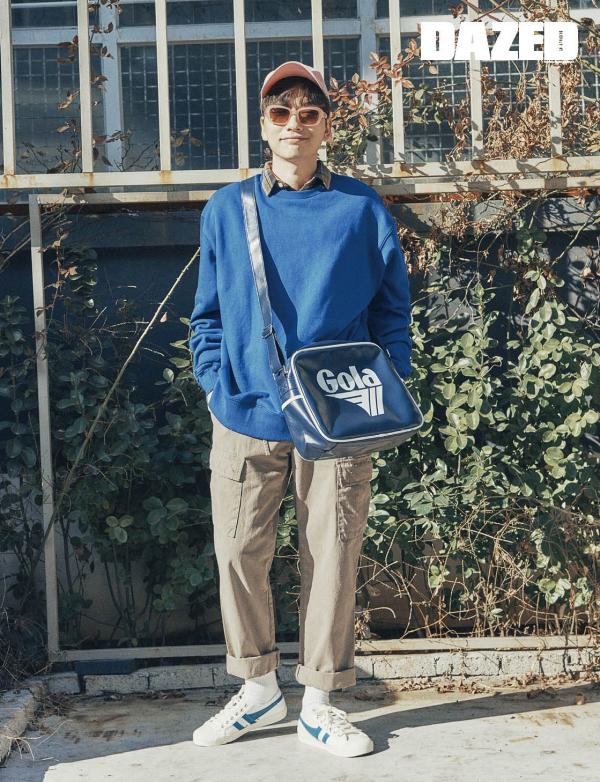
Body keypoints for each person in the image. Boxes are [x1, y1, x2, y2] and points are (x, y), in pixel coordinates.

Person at [189, 60, 412, 758]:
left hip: (338, 415)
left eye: (309, 112)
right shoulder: (227, 209)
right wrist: (214, 383)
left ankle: (320, 701)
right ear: (263, 126)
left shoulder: (360, 208)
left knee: (333, 555)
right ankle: (258, 687)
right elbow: (207, 314)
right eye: (281, 112)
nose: (295, 123)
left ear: (326, 126)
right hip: (246, 410)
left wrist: (386, 381)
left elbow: (392, 308)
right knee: (237, 550)